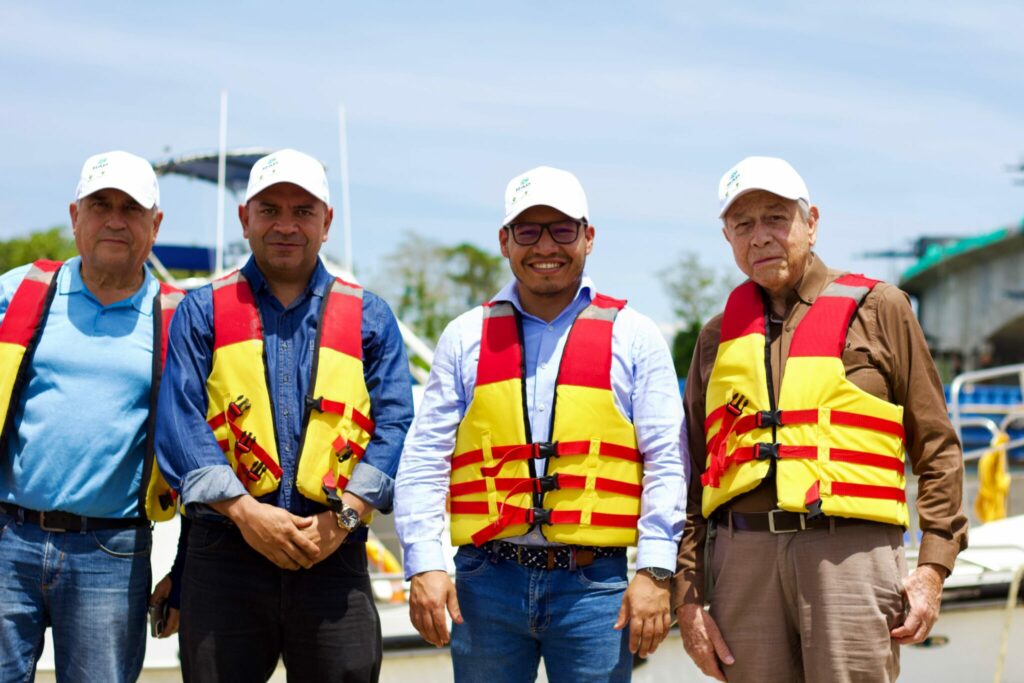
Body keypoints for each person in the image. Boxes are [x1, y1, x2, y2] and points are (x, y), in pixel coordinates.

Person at [673, 156, 969, 682]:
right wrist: (689, 595)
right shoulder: (716, 337)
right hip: (744, 565)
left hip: (850, 556)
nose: (760, 236)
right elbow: (692, 472)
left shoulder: (882, 308)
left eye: (776, 217)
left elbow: (937, 447)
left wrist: (932, 566)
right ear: (727, 237)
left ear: (811, 221)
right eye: (743, 224)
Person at [395, 166, 686, 682]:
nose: (545, 245)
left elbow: (668, 460)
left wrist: (656, 569)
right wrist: (424, 562)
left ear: (588, 237)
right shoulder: (465, 336)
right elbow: (424, 459)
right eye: (528, 231)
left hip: (595, 587)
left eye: (562, 229)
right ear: (505, 242)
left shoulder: (635, 336)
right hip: (485, 581)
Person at [156, 148, 413, 682]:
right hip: (224, 553)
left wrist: (344, 519)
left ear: (327, 223)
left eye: (303, 211)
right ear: (245, 218)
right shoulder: (200, 313)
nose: (286, 225)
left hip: (334, 553)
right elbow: (180, 423)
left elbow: (396, 424)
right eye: (270, 210)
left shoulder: (372, 318)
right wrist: (247, 514)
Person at [0, 150, 184, 682]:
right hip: (8, 537)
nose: (115, 220)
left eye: (132, 208)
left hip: (113, 550)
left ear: (156, 224)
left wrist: (187, 570)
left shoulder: (179, 317)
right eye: (101, 204)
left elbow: (204, 446)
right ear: (74, 214)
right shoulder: (19, 293)